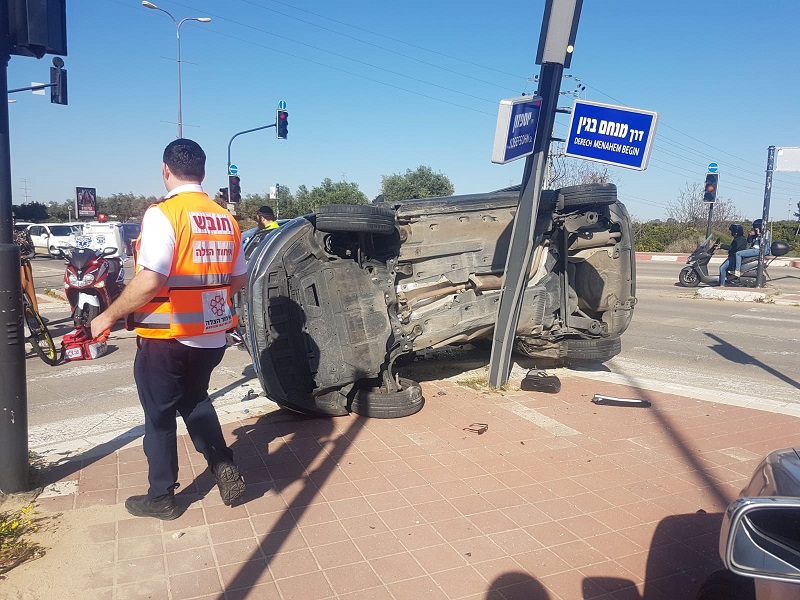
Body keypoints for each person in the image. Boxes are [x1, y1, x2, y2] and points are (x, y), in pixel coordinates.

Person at [90, 139, 248, 520]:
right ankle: (222, 463)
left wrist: (107, 316)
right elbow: (239, 279)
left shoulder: (165, 214)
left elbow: (150, 280)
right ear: (203, 172)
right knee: (194, 398)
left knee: (159, 417)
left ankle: (161, 497)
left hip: (166, 337)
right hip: (212, 336)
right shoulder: (225, 218)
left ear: (165, 170)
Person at [13, 213, 38, 312]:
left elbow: (32, 249)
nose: (13, 220)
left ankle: (33, 314)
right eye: (10, 217)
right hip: (6, 265)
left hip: (22, 264)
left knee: (28, 290)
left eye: (14, 217)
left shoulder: (22, 232)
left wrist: (27, 256)